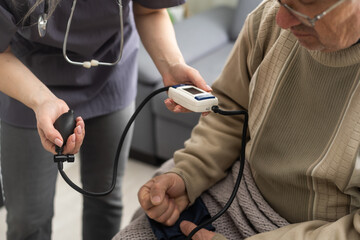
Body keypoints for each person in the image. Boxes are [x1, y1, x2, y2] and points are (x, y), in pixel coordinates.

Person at [113, 0, 360, 239]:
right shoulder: (266, 20)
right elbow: (230, 113)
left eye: (305, 5)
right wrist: (190, 173)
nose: (282, 21)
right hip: (236, 192)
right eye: (282, 1)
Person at [0, 0, 212, 239]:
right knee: (28, 220)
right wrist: (40, 100)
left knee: (105, 200)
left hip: (110, 72)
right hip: (26, 76)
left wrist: (172, 65)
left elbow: (149, 10)